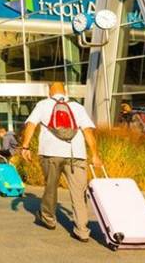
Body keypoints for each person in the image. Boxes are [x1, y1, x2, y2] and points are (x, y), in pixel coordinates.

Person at [19, 82, 103, 243]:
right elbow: (88, 132)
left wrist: (25, 146)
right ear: (65, 91)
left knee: (51, 188)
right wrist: (95, 155)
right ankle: (82, 231)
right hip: (76, 155)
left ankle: (49, 219)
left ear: (49, 92)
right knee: (79, 193)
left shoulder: (43, 104)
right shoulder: (77, 107)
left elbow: (31, 125)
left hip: (50, 153)